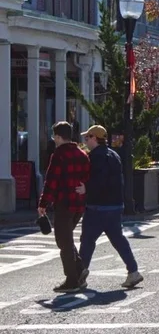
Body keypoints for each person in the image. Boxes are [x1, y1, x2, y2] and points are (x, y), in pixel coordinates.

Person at [78, 125, 143, 290]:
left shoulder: (95, 157)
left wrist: (86, 188)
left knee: (87, 240)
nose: (85, 141)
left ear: (94, 138)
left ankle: (80, 273)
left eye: (87, 138)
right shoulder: (114, 155)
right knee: (118, 240)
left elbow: (99, 180)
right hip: (115, 206)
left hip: (97, 206)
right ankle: (133, 271)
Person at [38, 121, 90, 294]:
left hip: (64, 203)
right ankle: (80, 269)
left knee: (63, 241)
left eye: (55, 137)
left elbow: (51, 181)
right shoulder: (82, 154)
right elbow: (88, 177)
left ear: (59, 137)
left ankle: (72, 280)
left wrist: (43, 204)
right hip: (79, 204)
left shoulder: (59, 155)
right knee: (67, 239)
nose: (54, 140)